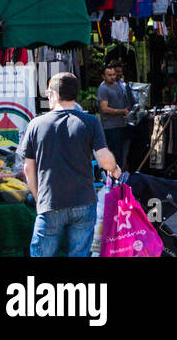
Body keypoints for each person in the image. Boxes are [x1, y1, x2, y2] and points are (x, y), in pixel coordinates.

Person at [19, 72, 122, 257]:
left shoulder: (36, 124)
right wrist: (114, 168)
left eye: (49, 93)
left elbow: (28, 168)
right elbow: (105, 159)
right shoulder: (90, 122)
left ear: (55, 94)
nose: (48, 97)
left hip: (50, 202)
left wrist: (38, 198)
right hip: (84, 202)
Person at [96, 63, 133, 169]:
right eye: (109, 75)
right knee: (114, 155)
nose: (113, 77)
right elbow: (104, 108)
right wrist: (122, 111)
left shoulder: (118, 85)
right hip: (110, 127)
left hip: (121, 124)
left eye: (114, 74)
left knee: (121, 155)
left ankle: (120, 174)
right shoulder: (103, 89)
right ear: (103, 76)